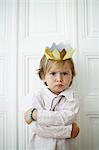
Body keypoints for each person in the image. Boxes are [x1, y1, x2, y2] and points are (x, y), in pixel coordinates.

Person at [24, 42, 80, 150]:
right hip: (39, 146)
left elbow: (64, 118)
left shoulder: (72, 98)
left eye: (64, 73)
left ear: (72, 76)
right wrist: (68, 131)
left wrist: (37, 115)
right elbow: (36, 127)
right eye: (53, 73)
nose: (59, 79)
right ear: (43, 76)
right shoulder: (38, 96)